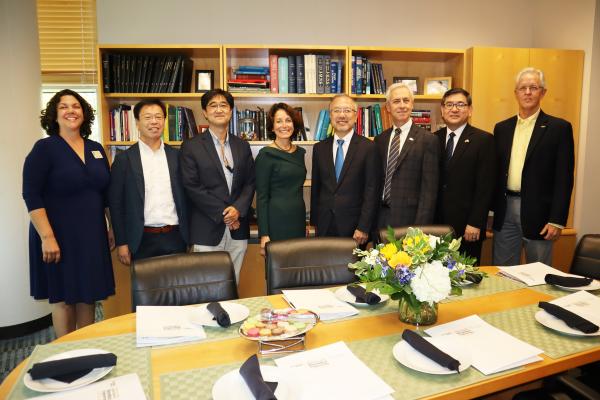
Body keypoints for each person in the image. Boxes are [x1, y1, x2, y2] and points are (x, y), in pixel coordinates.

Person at [22, 89, 115, 337]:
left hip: (92, 234)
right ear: (54, 115)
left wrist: (111, 226)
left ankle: (85, 348)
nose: (71, 111)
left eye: (76, 106)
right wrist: (47, 237)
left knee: (88, 296)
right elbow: (31, 194)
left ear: (84, 114)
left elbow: (105, 193)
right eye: (63, 107)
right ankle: (65, 352)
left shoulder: (96, 148)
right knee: (63, 297)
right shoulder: (44, 149)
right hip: (58, 235)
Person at [492, 67, 574, 266]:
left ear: (543, 92)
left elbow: (564, 177)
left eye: (533, 87)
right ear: (516, 93)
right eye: (523, 88)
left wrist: (557, 220)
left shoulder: (559, 128)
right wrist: (491, 211)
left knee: (538, 274)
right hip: (505, 211)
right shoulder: (501, 128)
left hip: (540, 215)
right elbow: (494, 173)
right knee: (502, 272)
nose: (527, 92)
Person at [180, 89, 255, 283]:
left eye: (224, 105)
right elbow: (191, 186)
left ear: (231, 111)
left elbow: (250, 182)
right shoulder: (191, 146)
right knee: (206, 286)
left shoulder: (242, 146)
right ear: (205, 112)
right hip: (206, 228)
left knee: (233, 283)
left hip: (238, 229)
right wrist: (225, 214)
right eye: (213, 105)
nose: (219, 109)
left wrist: (237, 209)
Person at [108, 99, 189, 265]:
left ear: (164, 121)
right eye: (148, 117)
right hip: (140, 240)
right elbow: (116, 204)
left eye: (158, 117)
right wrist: (122, 242)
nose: (154, 122)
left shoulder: (177, 157)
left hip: (175, 237)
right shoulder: (124, 160)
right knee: (145, 291)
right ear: (137, 123)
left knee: (177, 290)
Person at [433, 88, 495, 262]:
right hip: (436, 225)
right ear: (442, 110)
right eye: (449, 105)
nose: (454, 109)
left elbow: (485, 187)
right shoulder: (433, 139)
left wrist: (476, 222)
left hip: (468, 227)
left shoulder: (484, 140)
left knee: (465, 279)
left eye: (460, 104)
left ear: (470, 110)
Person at [310, 94, 379, 245]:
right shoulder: (319, 148)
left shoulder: (368, 147)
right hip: (325, 226)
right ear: (330, 116)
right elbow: (316, 188)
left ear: (355, 116)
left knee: (353, 269)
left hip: (355, 229)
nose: (342, 115)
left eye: (347, 110)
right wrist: (315, 223)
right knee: (325, 268)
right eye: (337, 110)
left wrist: (364, 227)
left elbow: (371, 190)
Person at [375, 83, 439, 231]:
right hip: (380, 217)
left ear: (412, 104)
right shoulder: (380, 140)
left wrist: (420, 229)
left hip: (410, 220)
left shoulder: (428, 140)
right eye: (396, 101)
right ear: (388, 107)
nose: (402, 105)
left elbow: (429, 191)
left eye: (406, 100)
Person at [256, 103, 307, 256]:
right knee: (278, 271)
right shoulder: (265, 155)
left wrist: (304, 222)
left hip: (297, 218)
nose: (284, 125)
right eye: (279, 121)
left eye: (288, 120)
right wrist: (264, 234)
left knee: (298, 268)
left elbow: (298, 189)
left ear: (294, 124)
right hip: (276, 221)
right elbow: (262, 197)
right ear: (272, 127)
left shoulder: (300, 153)